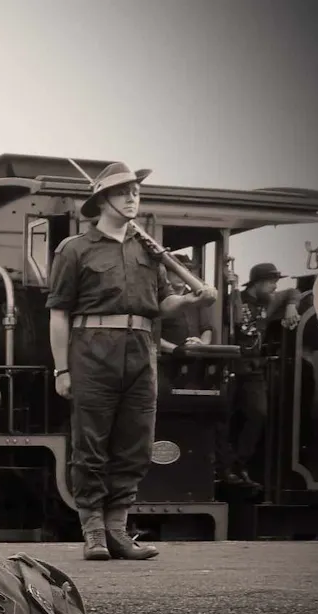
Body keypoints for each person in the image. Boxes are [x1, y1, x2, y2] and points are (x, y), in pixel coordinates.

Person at [47, 162, 219, 560]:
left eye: (135, 192)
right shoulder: (75, 250)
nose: (132, 198)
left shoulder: (148, 249)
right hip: (92, 351)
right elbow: (58, 313)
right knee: (90, 445)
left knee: (135, 446)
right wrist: (62, 368)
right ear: (103, 199)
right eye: (124, 192)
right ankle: (92, 532)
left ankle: (118, 531)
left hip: (141, 354)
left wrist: (192, 300)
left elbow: (162, 303)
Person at [215, 261, 303, 491]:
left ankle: (239, 463)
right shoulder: (236, 298)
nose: (275, 286)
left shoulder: (271, 302)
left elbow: (294, 291)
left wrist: (292, 305)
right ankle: (224, 467)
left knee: (258, 414)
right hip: (231, 365)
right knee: (223, 417)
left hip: (253, 370)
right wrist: (231, 287)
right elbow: (233, 319)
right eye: (272, 281)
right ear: (258, 283)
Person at [157, 254, 215, 354]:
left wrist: (202, 345)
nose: (181, 276)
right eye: (176, 272)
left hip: (194, 358)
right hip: (166, 358)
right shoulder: (159, 299)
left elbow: (206, 329)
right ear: (165, 274)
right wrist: (177, 350)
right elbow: (152, 336)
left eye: (187, 272)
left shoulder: (197, 297)